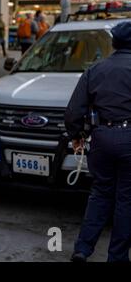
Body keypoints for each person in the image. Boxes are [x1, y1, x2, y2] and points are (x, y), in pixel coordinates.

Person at [65, 21, 131, 263]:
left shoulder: (96, 69)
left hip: (102, 137)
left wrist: (76, 136)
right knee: (126, 199)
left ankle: (82, 249)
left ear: (114, 43)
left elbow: (74, 110)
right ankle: (117, 256)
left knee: (100, 194)